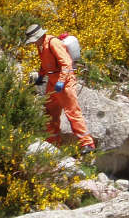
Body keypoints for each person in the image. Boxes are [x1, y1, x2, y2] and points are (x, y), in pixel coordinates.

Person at [24, 23, 96, 154]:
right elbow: (45, 63)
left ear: (39, 36)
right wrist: (41, 76)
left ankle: (88, 143)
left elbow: (66, 63)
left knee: (72, 112)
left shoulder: (53, 43)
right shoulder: (41, 46)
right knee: (49, 113)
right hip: (53, 82)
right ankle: (53, 143)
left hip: (65, 83)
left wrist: (61, 81)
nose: (33, 43)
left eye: (34, 40)